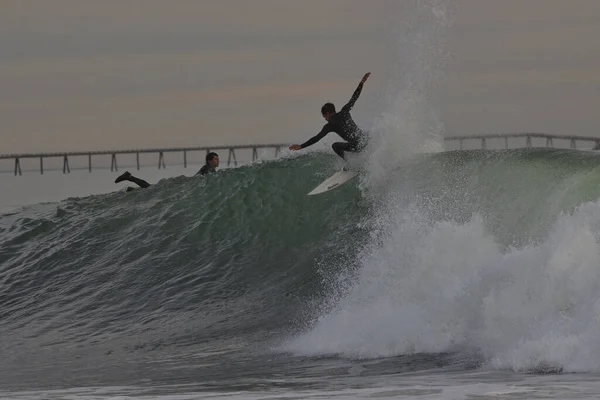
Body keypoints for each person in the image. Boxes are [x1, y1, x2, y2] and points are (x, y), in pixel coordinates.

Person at [289, 72, 371, 166]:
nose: (325, 119)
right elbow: (354, 98)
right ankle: (360, 159)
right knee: (364, 134)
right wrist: (362, 82)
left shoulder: (330, 125)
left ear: (327, 113)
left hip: (356, 146)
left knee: (335, 146)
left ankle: (350, 163)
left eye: (325, 117)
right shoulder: (345, 111)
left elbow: (316, 138)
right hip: (364, 140)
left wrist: (301, 146)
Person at [114, 152, 219, 191]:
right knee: (151, 189)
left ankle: (132, 190)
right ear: (209, 160)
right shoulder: (208, 168)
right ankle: (129, 177)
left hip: (184, 185)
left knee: (151, 189)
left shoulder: (208, 168)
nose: (218, 160)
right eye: (215, 159)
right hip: (183, 186)